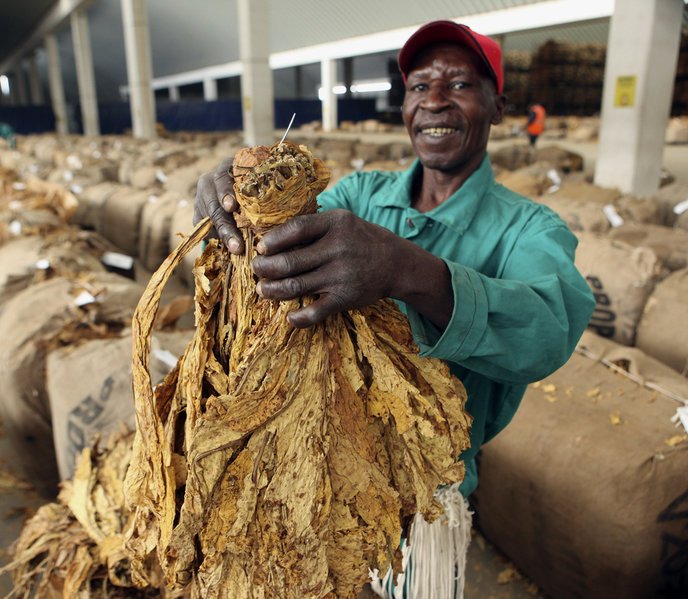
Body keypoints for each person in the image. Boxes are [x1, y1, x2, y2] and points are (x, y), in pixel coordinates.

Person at [195, 19, 594, 598]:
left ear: (498, 106)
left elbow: (547, 331)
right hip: (314, 468)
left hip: (425, 497)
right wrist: (243, 200)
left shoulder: (529, 229)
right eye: (419, 86)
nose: (434, 100)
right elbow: (274, 249)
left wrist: (406, 270)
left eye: (460, 84)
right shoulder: (360, 196)